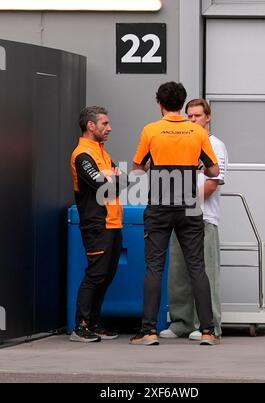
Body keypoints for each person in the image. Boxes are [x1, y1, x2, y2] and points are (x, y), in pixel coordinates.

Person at [130, 82, 220, 346]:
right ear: (182, 104)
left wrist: (150, 164)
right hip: (189, 205)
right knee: (197, 268)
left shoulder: (151, 130)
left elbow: (137, 169)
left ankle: (148, 331)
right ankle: (207, 331)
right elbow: (214, 172)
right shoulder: (196, 131)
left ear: (160, 104)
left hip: (159, 205)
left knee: (154, 268)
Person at [159, 98, 228, 341]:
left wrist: (188, 207)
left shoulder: (214, 145)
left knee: (206, 273)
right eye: (189, 116)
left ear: (208, 117)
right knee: (178, 274)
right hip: (179, 217)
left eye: (197, 115)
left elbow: (211, 183)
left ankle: (210, 324)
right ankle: (181, 322)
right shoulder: (185, 143)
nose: (193, 120)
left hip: (203, 218)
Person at [70, 106, 124, 342]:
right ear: (90, 126)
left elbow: (115, 185)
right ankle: (80, 327)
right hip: (96, 224)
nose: (109, 128)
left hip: (113, 222)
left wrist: (116, 178)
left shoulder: (102, 152)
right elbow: (105, 187)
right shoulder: (82, 155)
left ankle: (94, 322)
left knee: (107, 274)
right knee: (96, 274)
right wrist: (116, 177)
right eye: (105, 123)